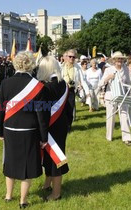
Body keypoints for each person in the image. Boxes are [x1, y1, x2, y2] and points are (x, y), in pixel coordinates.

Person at [0, 51, 48, 208]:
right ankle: (23, 201)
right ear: (31, 65)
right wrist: (44, 137)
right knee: (28, 165)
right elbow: (41, 115)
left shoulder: (5, 83)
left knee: (10, 161)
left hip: (9, 129)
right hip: (29, 130)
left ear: (15, 64)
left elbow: (1, 110)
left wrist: (0, 131)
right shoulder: (38, 86)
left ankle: (8, 196)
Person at [37, 56, 73, 201]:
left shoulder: (45, 88)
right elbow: (70, 107)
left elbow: (43, 114)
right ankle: (47, 184)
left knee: (55, 159)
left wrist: (42, 134)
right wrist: (68, 124)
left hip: (49, 128)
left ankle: (56, 193)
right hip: (61, 126)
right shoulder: (64, 84)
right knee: (50, 158)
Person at [98, 51, 131, 146]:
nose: (119, 60)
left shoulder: (126, 69)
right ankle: (109, 137)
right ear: (114, 60)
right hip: (111, 97)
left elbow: (128, 83)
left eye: (121, 59)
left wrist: (128, 94)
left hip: (122, 96)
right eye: (118, 59)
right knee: (110, 117)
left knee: (124, 116)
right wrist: (108, 77)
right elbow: (100, 84)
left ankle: (127, 138)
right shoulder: (108, 70)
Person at [61, 49, 81, 122]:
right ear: (66, 57)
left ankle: (69, 124)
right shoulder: (61, 66)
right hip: (62, 90)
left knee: (70, 107)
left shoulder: (77, 68)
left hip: (71, 90)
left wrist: (87, 92)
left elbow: (83, 80)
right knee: (62, 108)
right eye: (70, 56)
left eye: (73, 57)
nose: (71, 58)